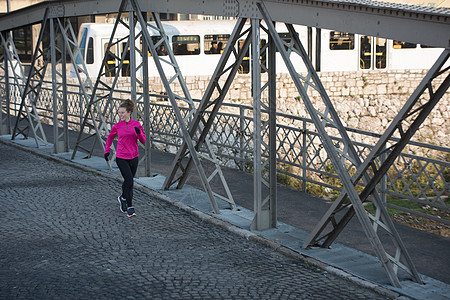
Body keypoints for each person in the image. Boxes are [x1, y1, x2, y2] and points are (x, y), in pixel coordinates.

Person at [104, 99, 146, 217]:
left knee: (128, 181)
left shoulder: (137, 125)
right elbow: (110, 137)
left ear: (129, 112)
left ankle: (122, 198)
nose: (120, 115)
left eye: (122, 112)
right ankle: (130, 206)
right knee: (129, 180)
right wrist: (107, 151)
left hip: (134, 157)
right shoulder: (117, 126)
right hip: (121, 157)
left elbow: (143, 140)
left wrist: (138, 133)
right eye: (119, 113)